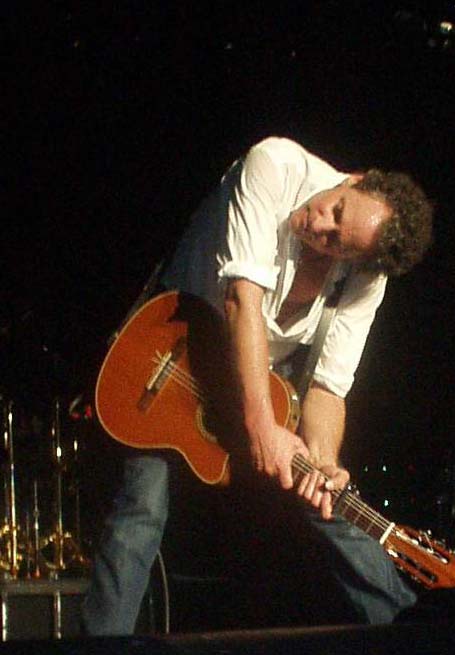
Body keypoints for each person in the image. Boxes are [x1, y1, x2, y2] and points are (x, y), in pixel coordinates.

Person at [82, 136, 433, 634]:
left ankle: (411, 633)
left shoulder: (366, 277)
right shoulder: (275, 164)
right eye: (335, 210)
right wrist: (263, 427)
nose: (321, 227)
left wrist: (324, 462)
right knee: (143, 507)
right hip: (172, 349)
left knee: (326, 498)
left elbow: (329, 388)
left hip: (258, 375)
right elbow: (241, 301)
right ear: (354, 180)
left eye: (338, 242)